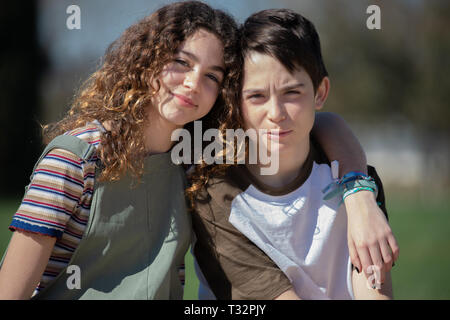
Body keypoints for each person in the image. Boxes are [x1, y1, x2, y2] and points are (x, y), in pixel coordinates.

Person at [0, 1, 395, 300]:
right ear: (146, 60)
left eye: (211, 76)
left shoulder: (192, 162)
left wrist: (359, 193)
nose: (192, 83)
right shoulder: (76, 159)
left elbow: (322, 123)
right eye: (180, 62)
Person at [189, 8, 396, 299]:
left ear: (320, 93)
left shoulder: (358, 185)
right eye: (256, 96)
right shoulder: (213, 196)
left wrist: (360, 195)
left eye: (292, 93)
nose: (276, 113)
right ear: (236, 101)